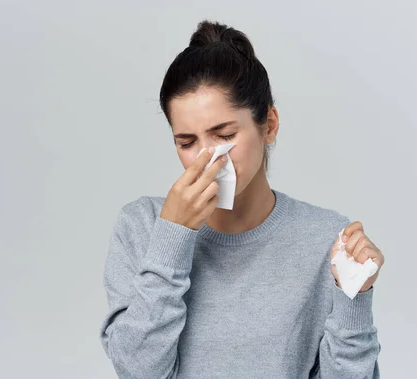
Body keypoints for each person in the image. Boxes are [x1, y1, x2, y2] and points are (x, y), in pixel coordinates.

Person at [99, 20, 384, 379]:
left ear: (269, 124)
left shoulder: (326, 239)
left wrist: (354, 295)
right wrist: (171, 237)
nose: (207, 158)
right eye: (186, 142)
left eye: (224, 135)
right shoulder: (141, 226)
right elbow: (137, 369)